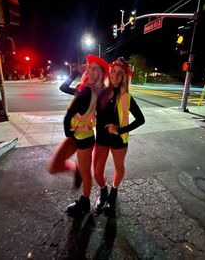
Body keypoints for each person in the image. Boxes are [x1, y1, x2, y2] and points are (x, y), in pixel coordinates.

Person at [93, 57, 145, 217]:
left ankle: (114, 192)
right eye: (113, 72)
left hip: (118, 140)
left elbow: (141, 119)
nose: (115, 76)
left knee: (119, 167)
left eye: (120, 74)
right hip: (101, 139)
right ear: (110, 73)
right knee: (96, 172)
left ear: (124, 77)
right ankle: (103, 191)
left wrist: (120, 129)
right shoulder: (101, 92)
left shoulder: (126, 97)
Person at [62, 55, 109, 218]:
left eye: (95, 68)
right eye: (89, 67)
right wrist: (76, 71)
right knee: (82, 169)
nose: (89, 69)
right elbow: (63, 87)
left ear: (101, 74)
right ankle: (85, 199)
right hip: (83, 136)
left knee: (85, 172)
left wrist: (68, 132)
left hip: (83, 138)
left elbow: (68, 115)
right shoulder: (87, 90)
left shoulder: (88, 92)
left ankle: (85, 202)